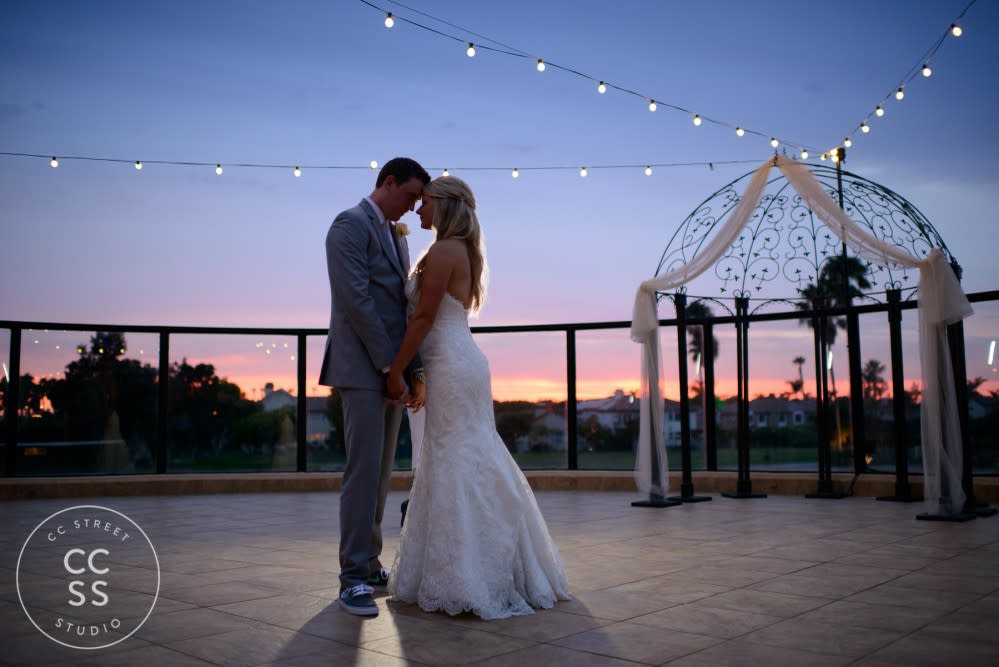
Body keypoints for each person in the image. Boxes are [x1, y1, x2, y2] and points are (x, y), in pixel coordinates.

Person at [385, 176, 570, 620]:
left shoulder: (445, 251)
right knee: (460, 457)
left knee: (455, 459)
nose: (418, 211)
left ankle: (473, 573)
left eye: (425, 203)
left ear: (444, 207)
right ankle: (470, 566)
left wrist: (396, 369)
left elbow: (425, 317)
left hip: (453, 366)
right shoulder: (459, 249)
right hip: (456, 364)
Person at [318, 157, 430, 617]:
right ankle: (351, 580)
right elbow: (357, 300)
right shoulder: (348, 225)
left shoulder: (393, 234)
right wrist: (389, 365)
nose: (414, 207)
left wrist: (409, 368)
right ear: (388, 182)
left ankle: (370, 564)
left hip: (391, 371)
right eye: (410, 195)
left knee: (381, 475)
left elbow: (402, 309)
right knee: (362, 474)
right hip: (363, 368)